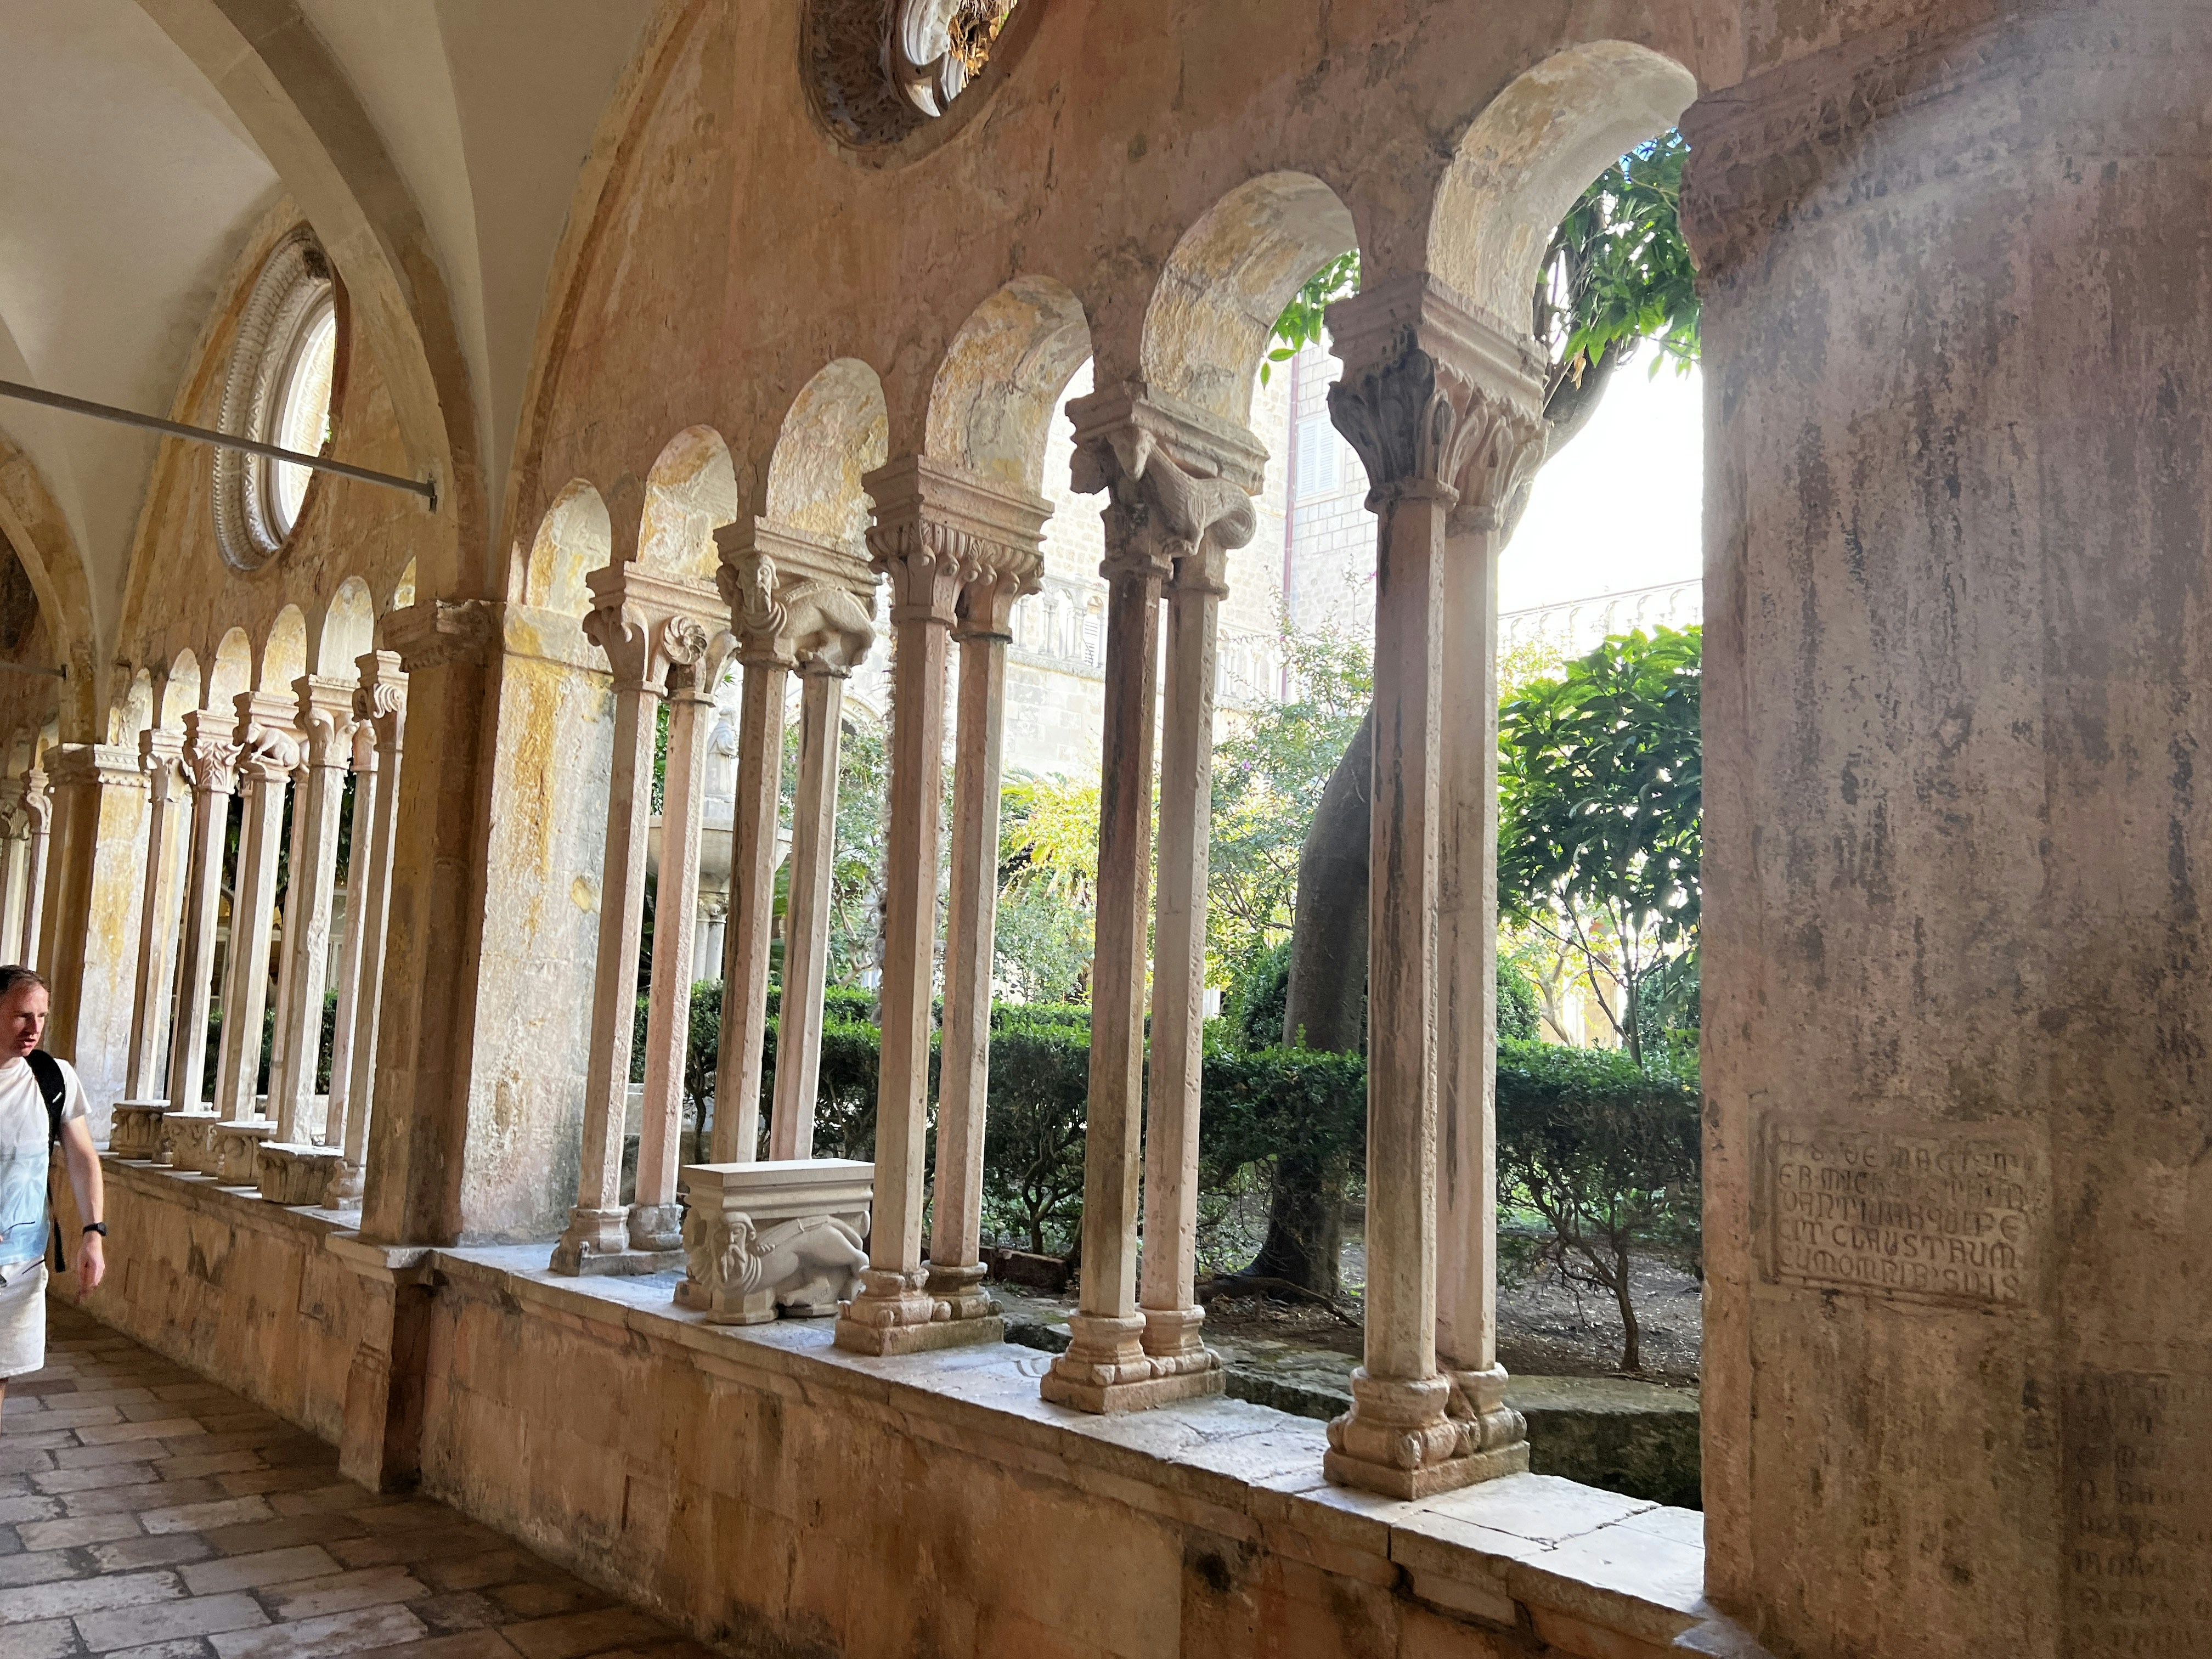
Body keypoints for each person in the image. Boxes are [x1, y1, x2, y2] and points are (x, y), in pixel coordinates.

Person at [0, 965, 104, 1410]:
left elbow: (82, 1157)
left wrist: (93, 1233)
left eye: (42, 1017)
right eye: (24, 1015)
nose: (35, 1029)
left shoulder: (53, 1078)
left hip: (20, 1264)